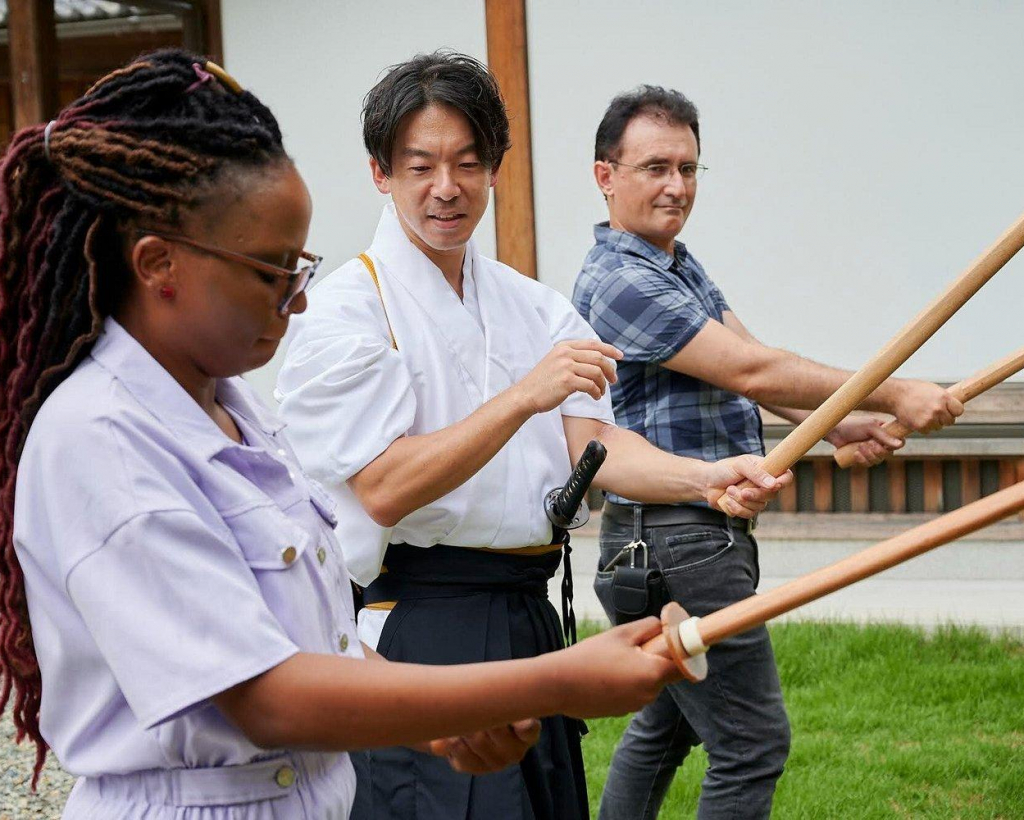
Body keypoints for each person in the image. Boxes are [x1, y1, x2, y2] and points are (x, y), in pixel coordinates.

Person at [0, 50, 703, 820]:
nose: (297, 302)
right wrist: (553, 681)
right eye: (273, 271)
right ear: (158, 263)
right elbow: (264, 695)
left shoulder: (237, 412)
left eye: (301, 268)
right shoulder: (103, 439)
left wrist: (447, 720)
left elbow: (313, 642)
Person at [276, 53, 790, 820]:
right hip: (421, 618)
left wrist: (704, 479)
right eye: (421, 166)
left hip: (529, 614)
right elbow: (383, 487)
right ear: (381, 173)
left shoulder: (531, 306)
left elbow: (600, 447)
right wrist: (523, 398)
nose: (446, 187)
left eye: (468, 163)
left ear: (494, 170)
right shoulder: (346, 307)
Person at [571, 85, 965, 819]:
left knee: (663, 725)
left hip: (668, 540)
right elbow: (750, 370)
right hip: (677, 537)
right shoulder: (622, 280)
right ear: (606, 175)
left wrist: (841, 422)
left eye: (689, 169)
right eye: (656, 167)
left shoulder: (673, 263)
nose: (676, 186)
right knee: (751, 743)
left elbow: (745, 358)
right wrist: (893, 392)